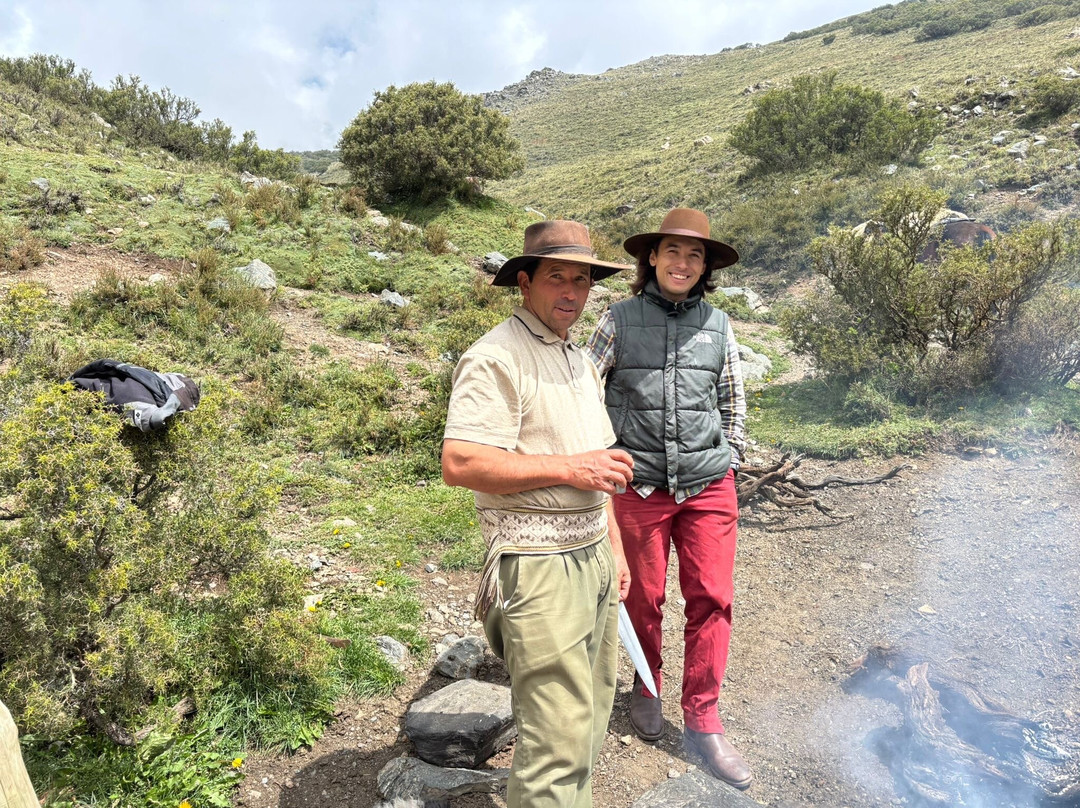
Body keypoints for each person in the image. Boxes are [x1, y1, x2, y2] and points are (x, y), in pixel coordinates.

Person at [441, 220, 634, 808]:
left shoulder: (579, 359)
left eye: (582, 280)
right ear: (524, 283)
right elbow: (461, 461)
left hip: (594, 555)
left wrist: (616, 550)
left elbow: (600, 466)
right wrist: (570, 469)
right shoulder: (495, 357)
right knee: (555, 739)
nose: (571, 292)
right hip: (538, 560)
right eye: (557, 278)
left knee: (590, 716)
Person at [585, 208, 751, 789]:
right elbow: (584, 388)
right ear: (651, 258)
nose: (682, 263)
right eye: (672, 251)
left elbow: (732, 400)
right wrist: (605, 459)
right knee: (642, 595)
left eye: (694, 254)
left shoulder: (719, 325)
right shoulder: (617, 319)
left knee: (713, 598)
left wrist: (731, 457)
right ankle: (646, 684)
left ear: (705, 267)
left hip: (708, 483)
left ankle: (704, 719)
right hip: (640, 485)